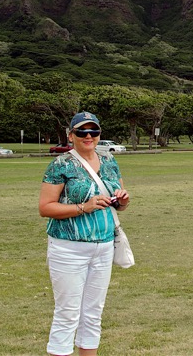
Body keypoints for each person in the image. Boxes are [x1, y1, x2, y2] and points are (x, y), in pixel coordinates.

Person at [38, 111, 131, 356]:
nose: (88, 136)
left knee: (93, 313)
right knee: (67, 313)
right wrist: (83, 207)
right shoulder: (61, 164)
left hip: (103, 246)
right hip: (69, 248)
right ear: (71, 135)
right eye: (81, 131)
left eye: (93, 131)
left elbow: (119, 201)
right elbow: (45, 208)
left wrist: (122, 200)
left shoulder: (109, 160)